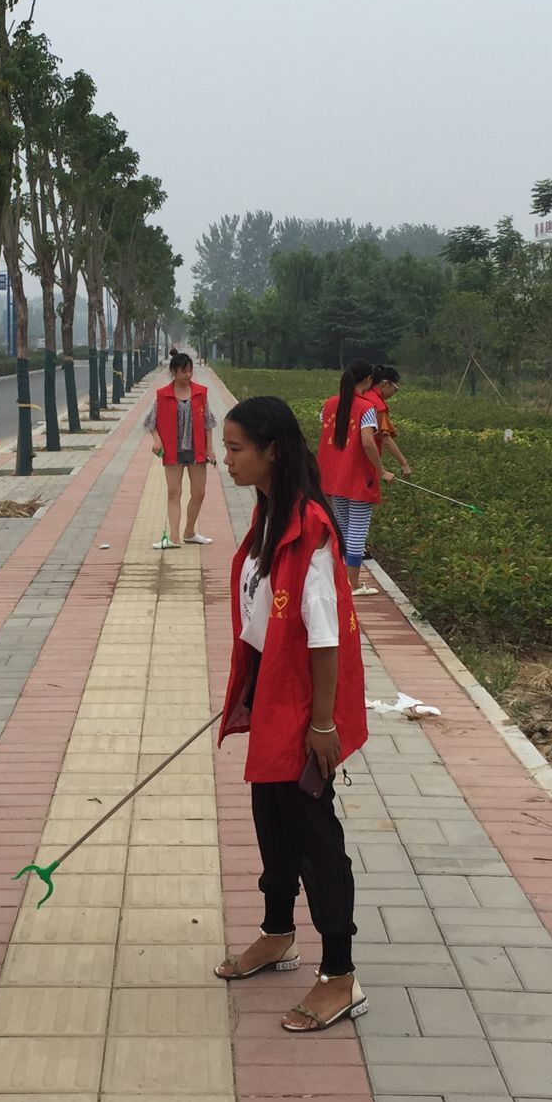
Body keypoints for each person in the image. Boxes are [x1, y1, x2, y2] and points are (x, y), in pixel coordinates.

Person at [213, 395, 369, 1032]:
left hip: (304, 708)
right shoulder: (269, 514)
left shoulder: (311, 529)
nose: (226, 459)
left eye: (236, 449)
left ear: (271, 450)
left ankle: (340, 976)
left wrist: (322, 725)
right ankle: (277, 933)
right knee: (270, 823)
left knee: (314, 838)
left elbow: (325, 638)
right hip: (272, 695)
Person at [316, 358, 392, 595]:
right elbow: (368, 442)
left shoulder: (329, 405)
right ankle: (354, 584)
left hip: (333, 475)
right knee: (358, 530)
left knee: (342, 527)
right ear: (368, 380)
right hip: (357, 477)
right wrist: (382, 471)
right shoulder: (366, 408)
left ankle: (341, 580)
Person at [144, 351, 218, 549]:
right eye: (184, 371)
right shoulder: (163, 395)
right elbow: (151, 423)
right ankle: (174, 537)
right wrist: (157, 441)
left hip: (197, 450)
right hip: (173, 451)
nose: (188, 375)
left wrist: (210, 449)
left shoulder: (200, 393)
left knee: (199, 493)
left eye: (190, 371)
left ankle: (190, 532)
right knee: (173, 493)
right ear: (174, 371)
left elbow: (208, 423)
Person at [371, 365, 413, 480]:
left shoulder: (362, 395)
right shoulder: (378, 406)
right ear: (385, 384)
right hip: (366, 461)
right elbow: (386, 439)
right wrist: (404, 464)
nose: (395, 392)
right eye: (395, 388)